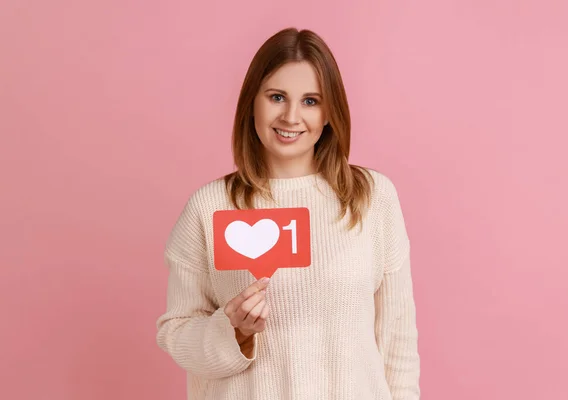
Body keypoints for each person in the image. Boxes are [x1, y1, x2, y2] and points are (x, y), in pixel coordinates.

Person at [155, 27, 421, 399]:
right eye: (277, 97)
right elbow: (176, 330)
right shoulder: (209, 206)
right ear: (253, 102)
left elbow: (398, 340)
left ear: (330, 112)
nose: (291, 116)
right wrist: (233, 331)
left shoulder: (372, 198)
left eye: (311, 101)